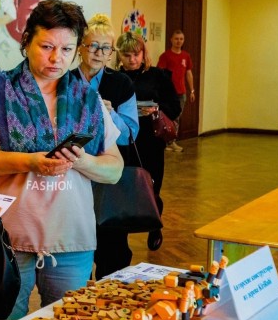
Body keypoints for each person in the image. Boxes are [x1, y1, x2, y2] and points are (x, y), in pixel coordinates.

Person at [0, 0, 123, 320]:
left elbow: (114, 169)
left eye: (66, 49)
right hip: (9, 240)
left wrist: (82, 160)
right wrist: (30, 162)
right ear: (27, 42)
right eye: (46, 46)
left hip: (71, 241)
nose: (56, 58)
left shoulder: (87, 98)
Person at [78, 15, 140, 279]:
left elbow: (130, 135)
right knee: (77, 253)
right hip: (75, 179)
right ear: (80, 47)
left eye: (105, 48)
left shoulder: (121, 83)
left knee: (112, 253)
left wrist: (110, 114)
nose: (98, 53)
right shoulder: (65, 80)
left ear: (111, 52)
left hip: (111, 181)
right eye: (93, 46)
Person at [116, 31, 180, 251]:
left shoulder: (157, 76)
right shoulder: (115, 78)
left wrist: (156, 109)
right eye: (127, 55)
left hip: (151, 141)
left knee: (152, 187)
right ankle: (121, 231)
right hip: (124, 142)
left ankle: (154, 225)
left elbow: (175, 106)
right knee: (124, 188)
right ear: (119, 56)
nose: (132, 59)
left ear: (144, 54)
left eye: (136, 54)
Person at [156, 29, 195, 152]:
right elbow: (160, 74)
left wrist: (192, 91)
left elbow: (189, 73)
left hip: (181, 93)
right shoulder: (165, 56)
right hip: (168, 94)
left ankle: (171, 141)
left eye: (181, 39)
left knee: (176, 118)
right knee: (167, 117)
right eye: (176, 39)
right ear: (171, 40)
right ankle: (166, 142)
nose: (179, 41)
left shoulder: (186, 56)